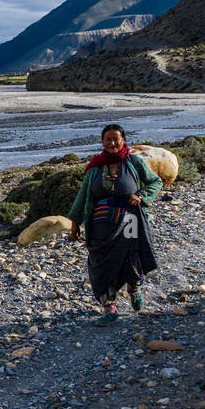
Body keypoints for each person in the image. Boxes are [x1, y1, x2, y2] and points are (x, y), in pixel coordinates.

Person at [66, 123, 162, 325]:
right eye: (108, 139)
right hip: (100, 224)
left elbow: (156, 182)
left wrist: (141, 196)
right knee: (101, 264)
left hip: (130, 220)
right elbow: (83, 195)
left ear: (123, 140)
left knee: (132, 258)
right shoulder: (95, 167)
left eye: (115, 139)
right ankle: (109, 308)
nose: (112, 143)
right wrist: (74, 223)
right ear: (102, 142)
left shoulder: (134, 162)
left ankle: (134, 288)